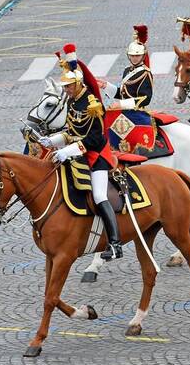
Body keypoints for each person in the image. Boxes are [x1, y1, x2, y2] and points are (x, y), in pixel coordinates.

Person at [40, 45, 122, 260]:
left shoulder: (92, 105)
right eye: (64, 87)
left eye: (68, 87)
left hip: (97, 156)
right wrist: (52, 140)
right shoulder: (73, 100)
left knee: (98, 195)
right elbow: (72, 130)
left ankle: (114, 243)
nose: (65, 90)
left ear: (77, 84)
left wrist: (68, 151)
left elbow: (95, 138)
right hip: (79, 154)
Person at [100, 25, 153, 110]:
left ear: (143, 56)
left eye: (137, 56)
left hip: (137, 113)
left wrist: (121, 104)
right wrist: (105, 86)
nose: (134, 58)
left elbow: (146, 99)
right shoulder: (127, 70)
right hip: (124, 111)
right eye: (132, 55)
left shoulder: (145, 73)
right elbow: (122, 94)